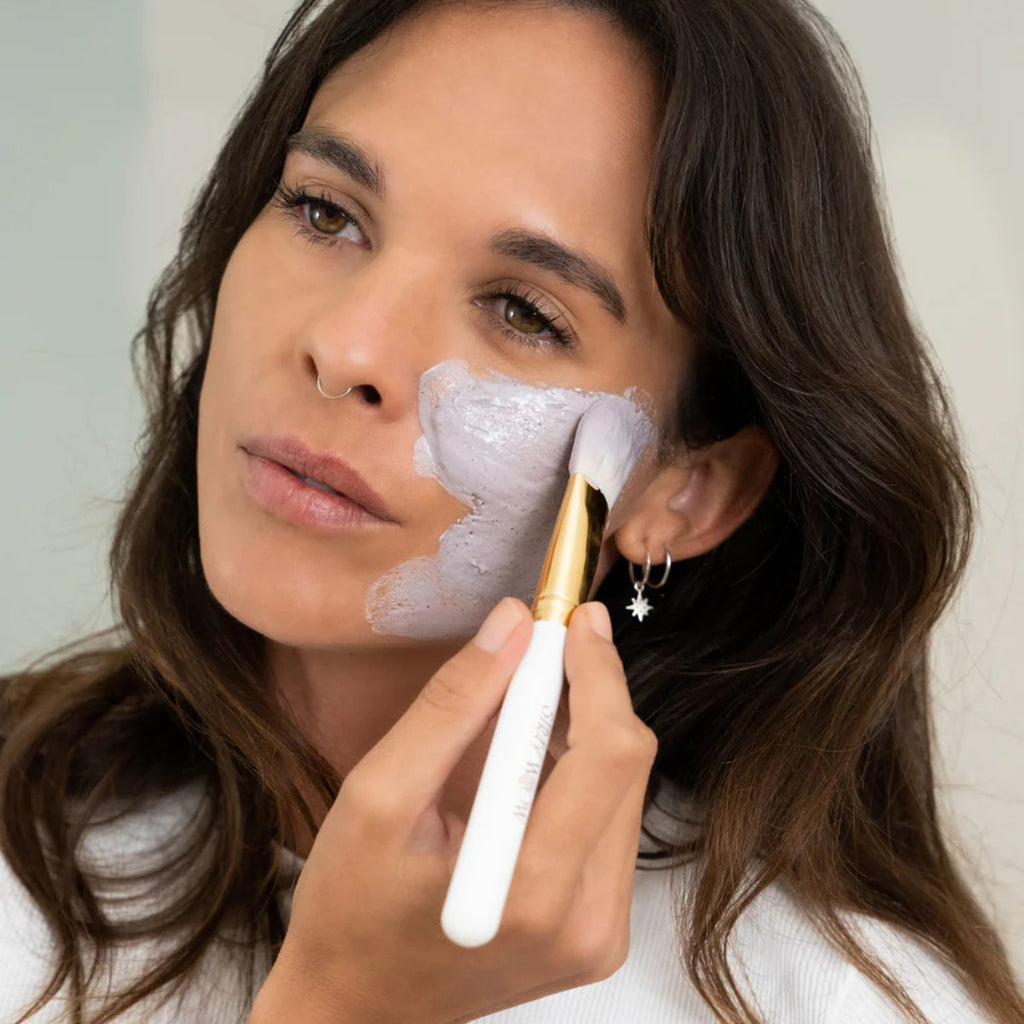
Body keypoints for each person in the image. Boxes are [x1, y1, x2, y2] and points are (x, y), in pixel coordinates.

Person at [1, 0, 1021, 1021]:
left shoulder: (836, 999)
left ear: (683, 491)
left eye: (523, 312)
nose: (346, 346)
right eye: (326, 211)